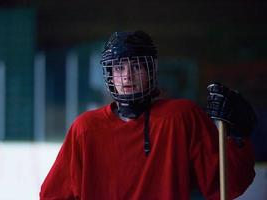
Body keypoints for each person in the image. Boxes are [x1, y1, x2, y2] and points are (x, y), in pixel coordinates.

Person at [40, 31, 256, 200]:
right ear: (109, 75)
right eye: (118, 68)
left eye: (136, 66)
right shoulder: (85, 129)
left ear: (151, 70)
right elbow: (53, 195)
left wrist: (237, 137)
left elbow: (227, 186)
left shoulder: (181, 117)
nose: (126, 76)